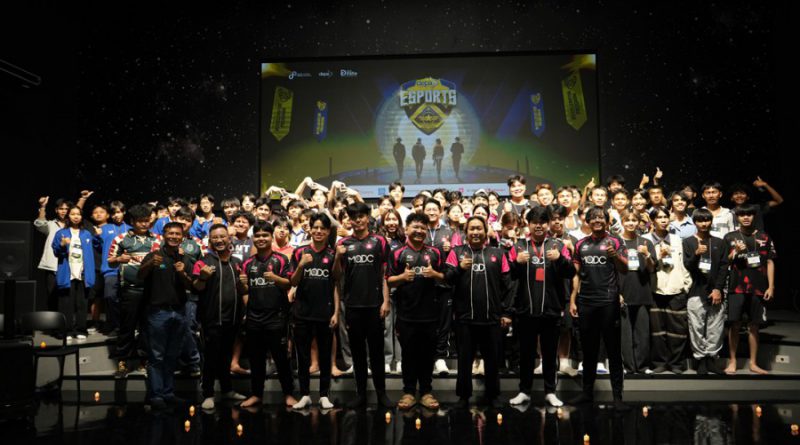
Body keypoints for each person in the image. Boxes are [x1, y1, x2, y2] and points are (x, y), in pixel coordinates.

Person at [508, 207, 575, 407]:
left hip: (551, 309)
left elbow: (571, 272)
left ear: (548, 224)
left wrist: (560, 259)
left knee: (550, 353)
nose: (539, 226)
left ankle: (550, 392)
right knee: (526, 354)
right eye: (535, 222)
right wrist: (516, 263)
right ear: (528, 224)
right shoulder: (519, 246)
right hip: (525, 309)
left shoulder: (558, 245)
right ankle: (524, 391)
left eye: (542, 222)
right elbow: (507, 275)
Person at [446, 216, 514, 408]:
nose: (475, 232)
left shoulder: (498, 253)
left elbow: (508, 285)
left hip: (491, 318)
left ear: (486, 231)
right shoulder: (456, 252)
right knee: (464, 360)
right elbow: (447, 279)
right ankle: (463, 396)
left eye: (479, 228)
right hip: (464, 318)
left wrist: (507, 313)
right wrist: (459, 269)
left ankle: (493, 395)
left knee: (492, 360)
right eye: (472, 229)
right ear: (465, 232)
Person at [568, 206, 628, 409]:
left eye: (601, 217)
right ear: (587, 221)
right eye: (593, 218)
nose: (597, 220)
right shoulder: (581, 244)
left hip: (608, 302)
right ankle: (587, 394)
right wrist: (573, 300)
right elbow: (576, 275)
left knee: (613, 349)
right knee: (589, 350)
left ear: (607, 221)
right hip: (586, 303)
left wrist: (614, 256)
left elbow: (625, 268)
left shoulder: (616, 242)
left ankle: (618, 398)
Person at [335, 202, 392, 408]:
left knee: (376, 353)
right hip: (353, 306)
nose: (357, 220)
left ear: (367, 218)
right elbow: (336, 276)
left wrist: (385, 301)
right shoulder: (343, 243)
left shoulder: (379, 241)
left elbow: (385, 274)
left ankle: (382, 394)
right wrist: (337, 257)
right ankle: (361, 395)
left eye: (361, 216)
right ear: (349, 220)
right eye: (353, 217)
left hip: (374, 305)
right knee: (358, 354)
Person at [388, 213, 446, 410]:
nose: (419, 231)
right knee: (408, 355)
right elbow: (389, 280)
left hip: (430, 314)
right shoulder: (398, 253)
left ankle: (427, 392)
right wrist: (402, 277)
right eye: (415, 227)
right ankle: (409, 392)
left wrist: (435, 274)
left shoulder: (435, 252)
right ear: (407, 229)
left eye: (423, 227)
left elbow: (445, 277)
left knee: (427, 355)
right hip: (406, 314)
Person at [239, 221, 297, 408]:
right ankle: (257, 394)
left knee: (282, 359)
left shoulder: (281, 259)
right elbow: (245, 290)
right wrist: (242, 285)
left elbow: (289, 284)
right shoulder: (248, 263)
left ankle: (288, 394)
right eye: (257, 235)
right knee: (256, 359)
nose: (261, 238)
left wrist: (275, 278)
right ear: (253, 238)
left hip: (277, 317)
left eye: (265, 235)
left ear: (271, 237)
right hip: (254, 318)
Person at [137, 222, 193, 409]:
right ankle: (156, 395)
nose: (174, 237)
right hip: (158, 313)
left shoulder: (185, 258)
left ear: (182, 237)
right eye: (171, 233)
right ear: (163, 235)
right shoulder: (154, 256)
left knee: (172, 356)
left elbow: (191, 285)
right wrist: (149, 265)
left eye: (177, 234)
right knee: (157, 356)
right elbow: (139, 276)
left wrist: (182, 273)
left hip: (179, 311)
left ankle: (168, 393)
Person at [193, 224, 248, 410]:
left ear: (229, 239)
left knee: (226, 356)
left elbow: (243, 290)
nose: (219, 240)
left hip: (232, 319)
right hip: (211, 320)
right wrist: (202, 277)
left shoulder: (236, 262)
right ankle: (208, 394)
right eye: (215, 238)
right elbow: (197, 287)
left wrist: (243, 284)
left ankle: (227, 390)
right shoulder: (203, 262)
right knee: (210, 358)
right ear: (210, 241)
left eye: (222, 237)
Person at [290, 214, 339, 409]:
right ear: (310, 229)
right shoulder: (299, 252)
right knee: (302, 356)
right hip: (302, 312)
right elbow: (293, 281)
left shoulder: (333, 254)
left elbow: (336, 285)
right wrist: (301, 265)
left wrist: (336, 313)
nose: (318, 231)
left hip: (325, 312)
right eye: (315, 227)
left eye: (322, 228)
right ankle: (304, 394)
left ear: (328, 231)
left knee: (325, 356)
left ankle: (324, 395)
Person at [723, 204, 777, 375]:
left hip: (759, 287)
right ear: (737, 217)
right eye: (742, 215)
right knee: (734, 325)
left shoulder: (764, 236)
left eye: (749, 215)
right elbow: (725, 262)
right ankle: (733, 361)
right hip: (736, 287)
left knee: (754, 326)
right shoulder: (730, 237)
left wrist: (771, 286)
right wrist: (735, 252)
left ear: (754, 217)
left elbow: (770, 261)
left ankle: (753, 363)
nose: (746, 217)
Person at [108, 204, 158, 377]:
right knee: (127, 326)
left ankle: (144, 360)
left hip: (151, 290)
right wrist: (118, 259)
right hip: (129, 290)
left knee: (147, 327)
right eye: (140, 221)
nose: (144, 224)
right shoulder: (121, 239)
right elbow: (110, 262)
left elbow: (164, 263)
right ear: (132, 221)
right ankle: (122, 361)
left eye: (147, 221)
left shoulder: (157, 239)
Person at [644, 207, 693, 374]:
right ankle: (659, 362)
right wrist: (659, 255)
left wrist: (686, 285)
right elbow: (646, 267)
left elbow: (684, 264)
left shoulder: (677, 239)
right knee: (657, 330)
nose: (663, 220)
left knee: (677, 329)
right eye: (659, 217)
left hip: (676, 288)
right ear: (652, 221)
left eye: (665, 217)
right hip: (655, 289)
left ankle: (676, 363)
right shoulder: (646, 240)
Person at [683, 208, 729, 375]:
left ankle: (711, 358)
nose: (704, 223)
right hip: (696, 291)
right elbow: (688, 266)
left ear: (711, 221)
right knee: (696, 327)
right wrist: (696, 254)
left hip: (716, 292)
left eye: (706, 220)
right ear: (694, 222)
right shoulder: (688, 242)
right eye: (700, 220)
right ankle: (701, 359)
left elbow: (724, 267)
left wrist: (718, 289)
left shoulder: (719, 242)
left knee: (716, 327)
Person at [618, 210, 656, 374]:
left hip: (642, 292)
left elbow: (652, 269)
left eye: (634, 220)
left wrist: (647, 255)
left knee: (642, 332)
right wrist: (617, 293)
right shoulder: (617, 242)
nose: (631, 223)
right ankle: (627, 366)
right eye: (627, 220)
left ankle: (643, 366)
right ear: (622, 222)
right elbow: (611, 270)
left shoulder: (646, 242)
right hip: (622, 293)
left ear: (638, 223)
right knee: (624, 334)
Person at [51, 205, 96, 340]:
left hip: (83, 273)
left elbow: (94, 250)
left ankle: (81, 329)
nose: (76, 217)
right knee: (66, 304)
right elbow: (56, 251)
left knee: (82, 303)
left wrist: (99, 237)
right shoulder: (61, 233)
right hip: (67, 273)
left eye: (78, 214)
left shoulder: (86, 234)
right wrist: (62, 245)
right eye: (73, 214)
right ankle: (66, 331)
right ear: (68, 216)